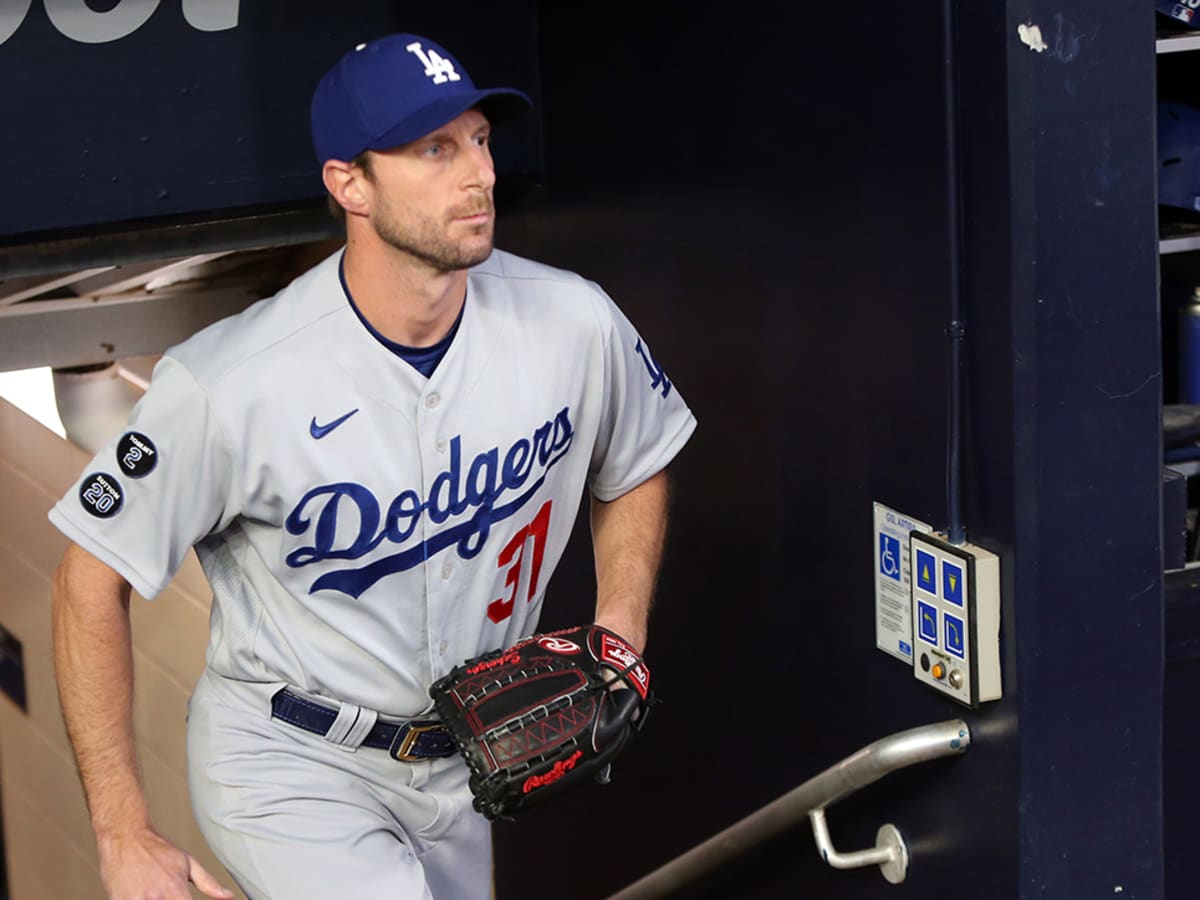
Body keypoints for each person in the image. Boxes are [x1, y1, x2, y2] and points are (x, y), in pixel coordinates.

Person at [49, 32, 696, 900]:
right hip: (291, 761)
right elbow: (86, 578)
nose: (479, 174)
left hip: (467, 769)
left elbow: (639, 456)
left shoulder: (573, 321)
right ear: (349, 183)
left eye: (479, 139)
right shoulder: (231, 381)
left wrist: (619, 630)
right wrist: (123, 833)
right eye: (434, 150)